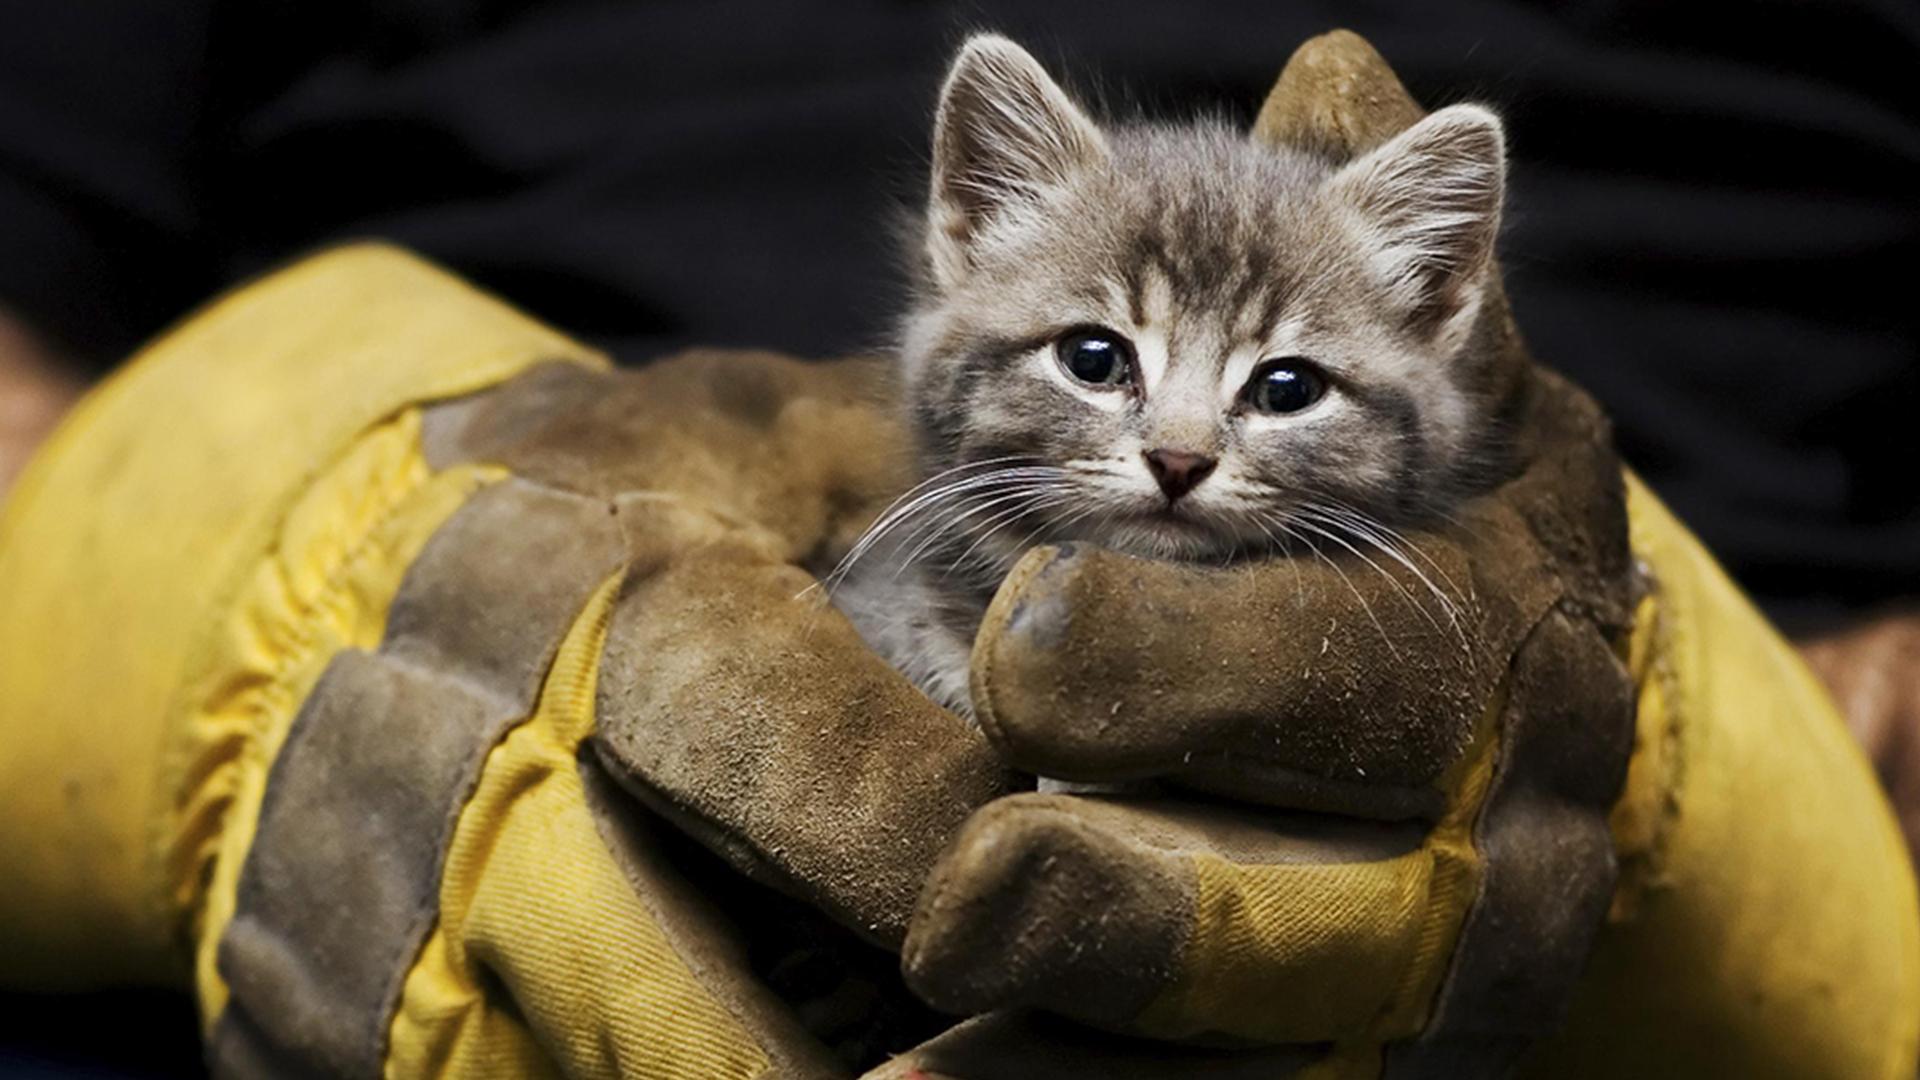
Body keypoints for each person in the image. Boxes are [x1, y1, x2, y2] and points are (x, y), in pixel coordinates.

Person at [1, 2, 1915, 1074]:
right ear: (964, 237)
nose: (1174, 447)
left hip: (1653, 716)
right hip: (518, 546)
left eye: (1263, 390)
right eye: (1103, 360)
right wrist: (249, 572)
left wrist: (1721, 801)